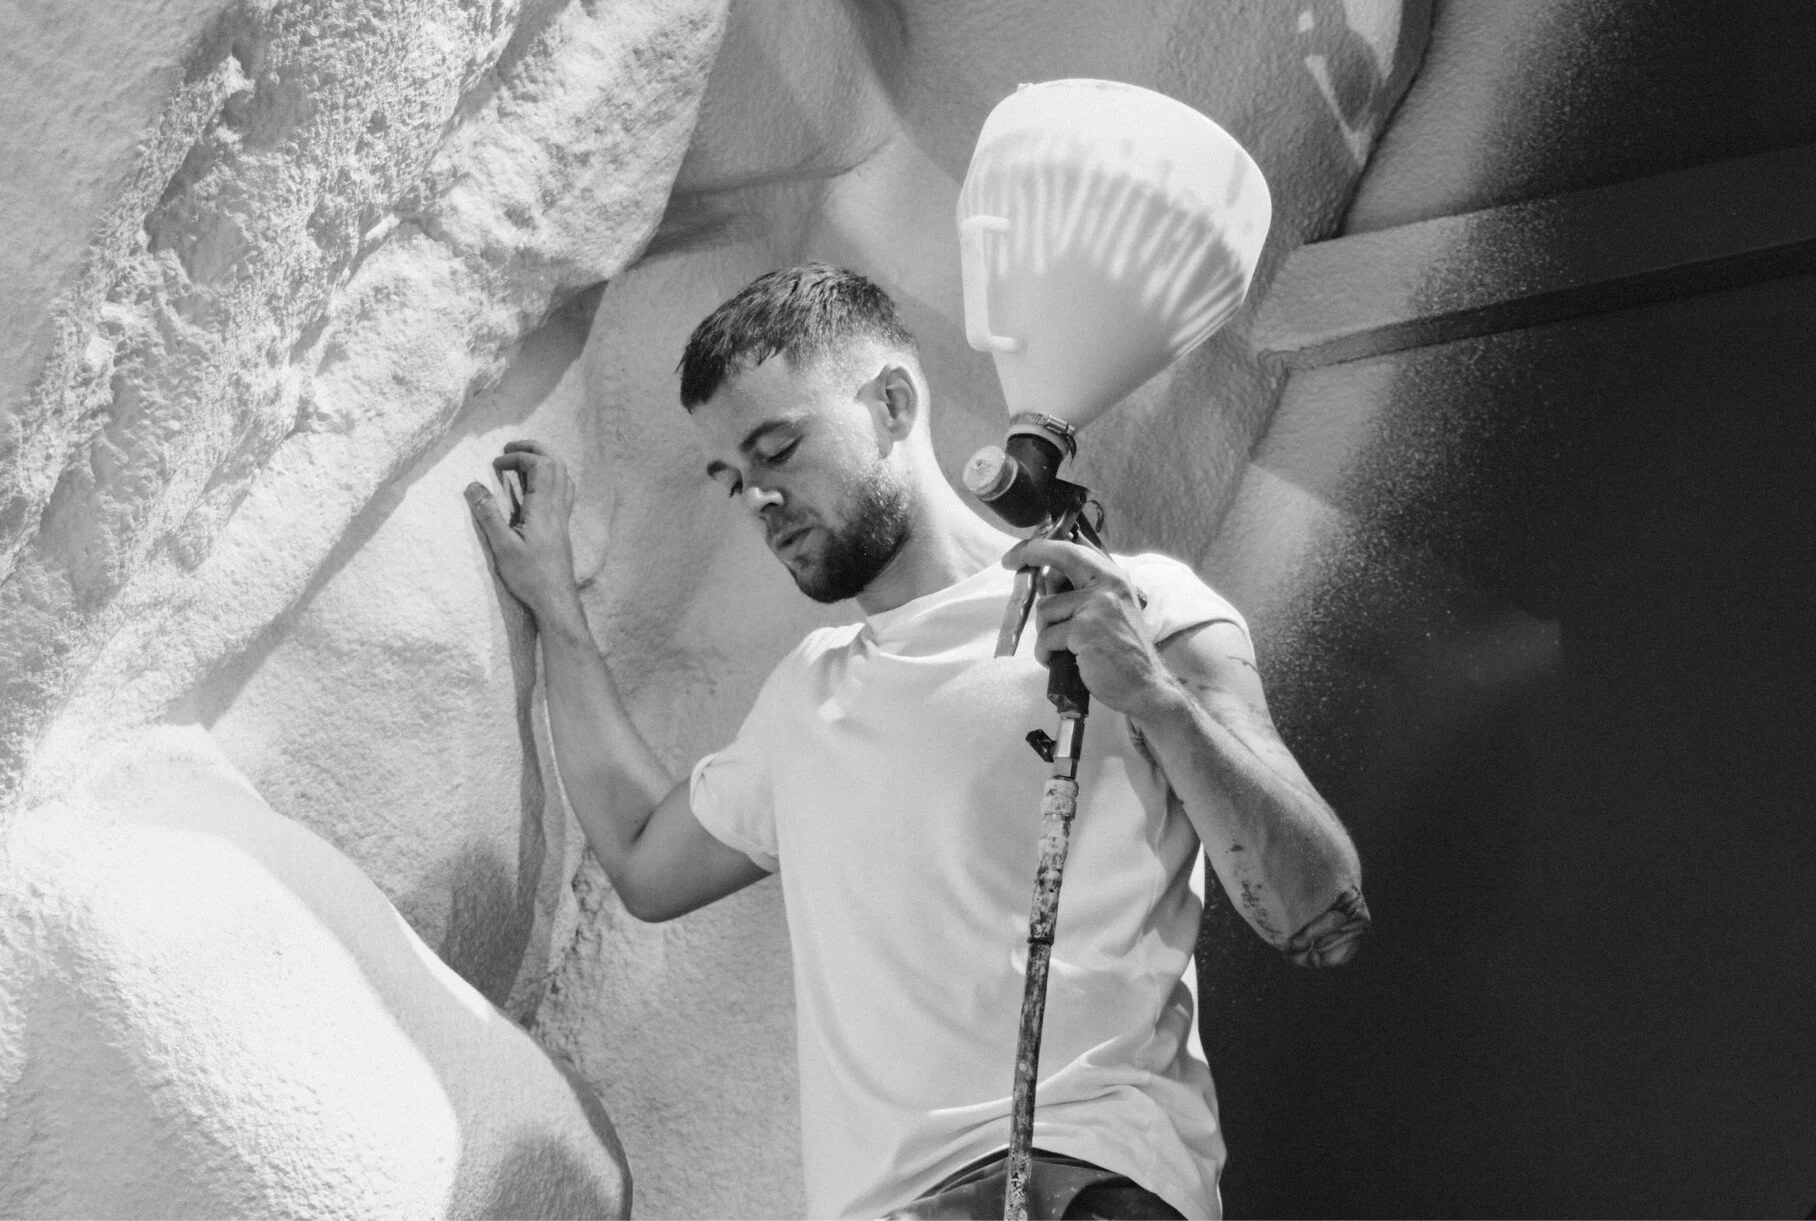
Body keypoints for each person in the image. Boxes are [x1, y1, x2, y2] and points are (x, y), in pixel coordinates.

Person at [464, 264, 1369, 1221]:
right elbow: (646, 855)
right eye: (733, 479)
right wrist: (554, 602)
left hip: (1082, 1178)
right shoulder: (809, 694)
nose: (760, 501)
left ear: (893, 402)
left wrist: (1152, 696)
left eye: (779, 448)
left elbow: (1323, 914)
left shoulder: (1135, 608)